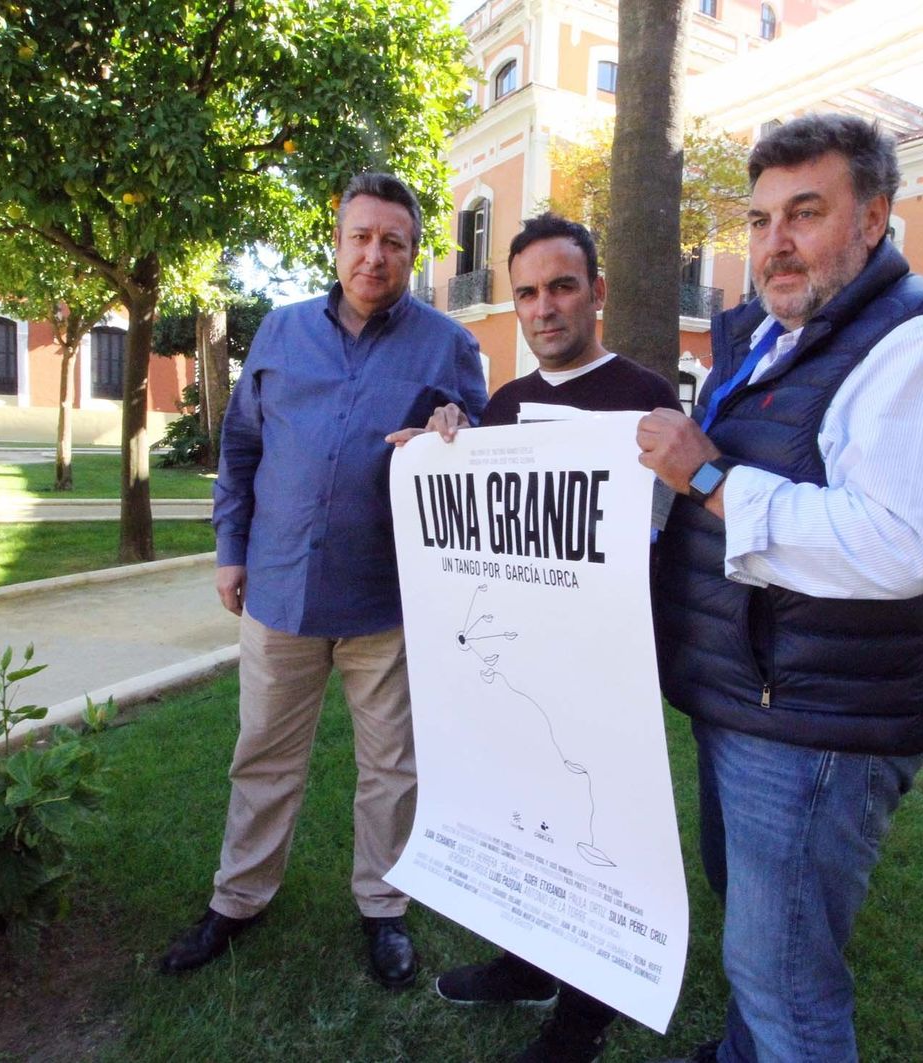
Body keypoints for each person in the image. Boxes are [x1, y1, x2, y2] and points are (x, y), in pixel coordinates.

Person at [636, 114, 923, 1062]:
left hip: (817, 724)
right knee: (759, 939)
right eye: (761, 221)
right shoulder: (771, 337)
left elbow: (895, 547)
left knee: (786, 980)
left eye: (806, 213)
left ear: (874, 218)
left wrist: (708, 477)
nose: (775, 243)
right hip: (750, 698)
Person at [159, 171, 488, 989]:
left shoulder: (448, 345)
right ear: (336, 243)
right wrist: (230, 548)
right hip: (279, 586)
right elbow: (242, 446)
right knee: (264, 755)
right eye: (361, 237)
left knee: (392, 766)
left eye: (393, 242)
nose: (375, 255)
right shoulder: (279, 331)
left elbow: (479, 453)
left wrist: (460, 427)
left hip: (388, 598)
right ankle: (238, 898)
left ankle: (383, 905)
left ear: (414, 253)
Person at [388, 212, 680, 1063]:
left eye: (561, 287)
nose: (544, 307)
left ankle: (582, 1021)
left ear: (597, 291)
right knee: (525, 818)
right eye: (526, 292)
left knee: (601, 837)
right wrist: (442, 448)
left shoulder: (648, 396)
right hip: (521, 668)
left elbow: (664, 529)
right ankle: (527, 963)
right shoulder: (507, 405)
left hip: (608, 668)